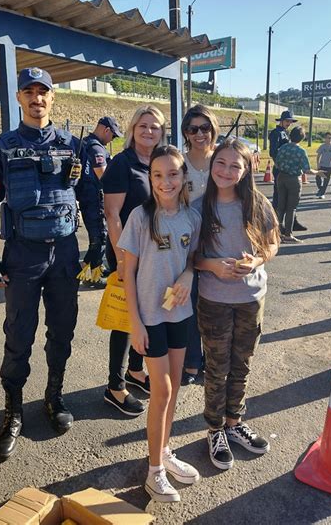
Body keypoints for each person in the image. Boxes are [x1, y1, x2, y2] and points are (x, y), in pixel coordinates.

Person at [0, 67, 105, 459]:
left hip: (64, 253)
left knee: (62, 330)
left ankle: (54, 397)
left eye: (43, 92)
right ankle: (13, 410)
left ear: (52, 98)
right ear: (19, 99)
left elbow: (90, 197)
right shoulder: (3, 146)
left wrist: (96, 244)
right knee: (19, 335)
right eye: (29, 92)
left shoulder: (71, 145)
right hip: (22, 256)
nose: (37, 99)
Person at [119, 145, 202, 502]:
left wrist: (186, 275)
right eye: (157, 175)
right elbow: (128, 272)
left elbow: (193, 257)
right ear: (150, 178)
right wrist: (134, 324)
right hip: (150, 318)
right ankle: (154, 472)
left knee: (176, 386)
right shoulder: (140, 216)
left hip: (179, 315)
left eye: (172, 174)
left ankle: (165, 452)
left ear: (184, 177)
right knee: (162, 391)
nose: (165, 182)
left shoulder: (191, 217)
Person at [194, 138, 279, 471]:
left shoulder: (257, 203)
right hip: (213, 300)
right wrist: (212, 265)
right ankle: (214, 429)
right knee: (216, 368)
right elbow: (190, 257)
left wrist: (256, 261)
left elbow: (272, 245)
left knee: (241, 365)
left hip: (251, 299)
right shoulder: (199, 206)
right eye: (221, 163)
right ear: (212, 164)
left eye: (235, 166)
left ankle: (234, 423)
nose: (226, 171)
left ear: (246, 171)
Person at [102, 104, 166, 416]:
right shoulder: (121, 163)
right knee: (126, 320)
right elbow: (112, 214)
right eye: (143, 125)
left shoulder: (162, 162)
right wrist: (121, 259)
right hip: (129, 254)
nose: (149, 131)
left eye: (155, 126)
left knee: (149, 313)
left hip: (156, 254)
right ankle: (115, 386)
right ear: (132, 129)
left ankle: (136, 371)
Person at [180, 104, 220, 385]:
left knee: (216, 303)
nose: (199, 134)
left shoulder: (223, 159)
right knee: (191, 303)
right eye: (193, 129)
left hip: (221, 241)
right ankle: (193, 360)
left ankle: (215, 360)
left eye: (205, 128)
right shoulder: (179, 163)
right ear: (186, 132)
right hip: (188, 243)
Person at [80, 116, 124, 286]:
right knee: (99, 237)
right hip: (93, 198)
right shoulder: (96, 148)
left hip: (87, 196)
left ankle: (95, 267)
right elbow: (103, 176)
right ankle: (91, 276)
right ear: (106, 130)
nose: (112, 140)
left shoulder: (85, 142)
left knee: (97, 236)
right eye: (113, 136)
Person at [275, 126, 323, 243]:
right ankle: (288, 235)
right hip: (293, 179)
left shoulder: (283, 148)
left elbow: (277, 163)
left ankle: (276, 233)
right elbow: (307, 170)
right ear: (302, 138)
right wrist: (318, 172)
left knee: (280, 207)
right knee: (291, 208)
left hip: (281, 177)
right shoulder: (301, 151)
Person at [269, 110, 306, 231]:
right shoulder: (276, 133)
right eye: (287, 121)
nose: (289, 123)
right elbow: (273, 152)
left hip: (286, 168)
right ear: (281, 120)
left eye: (290, 121)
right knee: (279, 198)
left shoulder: (285, 132)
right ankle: (276, 224)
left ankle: (292, 222)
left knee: (291, 199)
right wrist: (280, 164)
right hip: (281, 168)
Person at [315, 132, 331, 199]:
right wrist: (318, 164)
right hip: (322, 165)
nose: (330, 139)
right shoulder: (322, 146)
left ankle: (322, 193)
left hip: (330, 166)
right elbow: (318, 156)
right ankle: (321, 189)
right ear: (325, 138)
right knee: (318, 178)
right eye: (328, 138)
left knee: (326, 180)